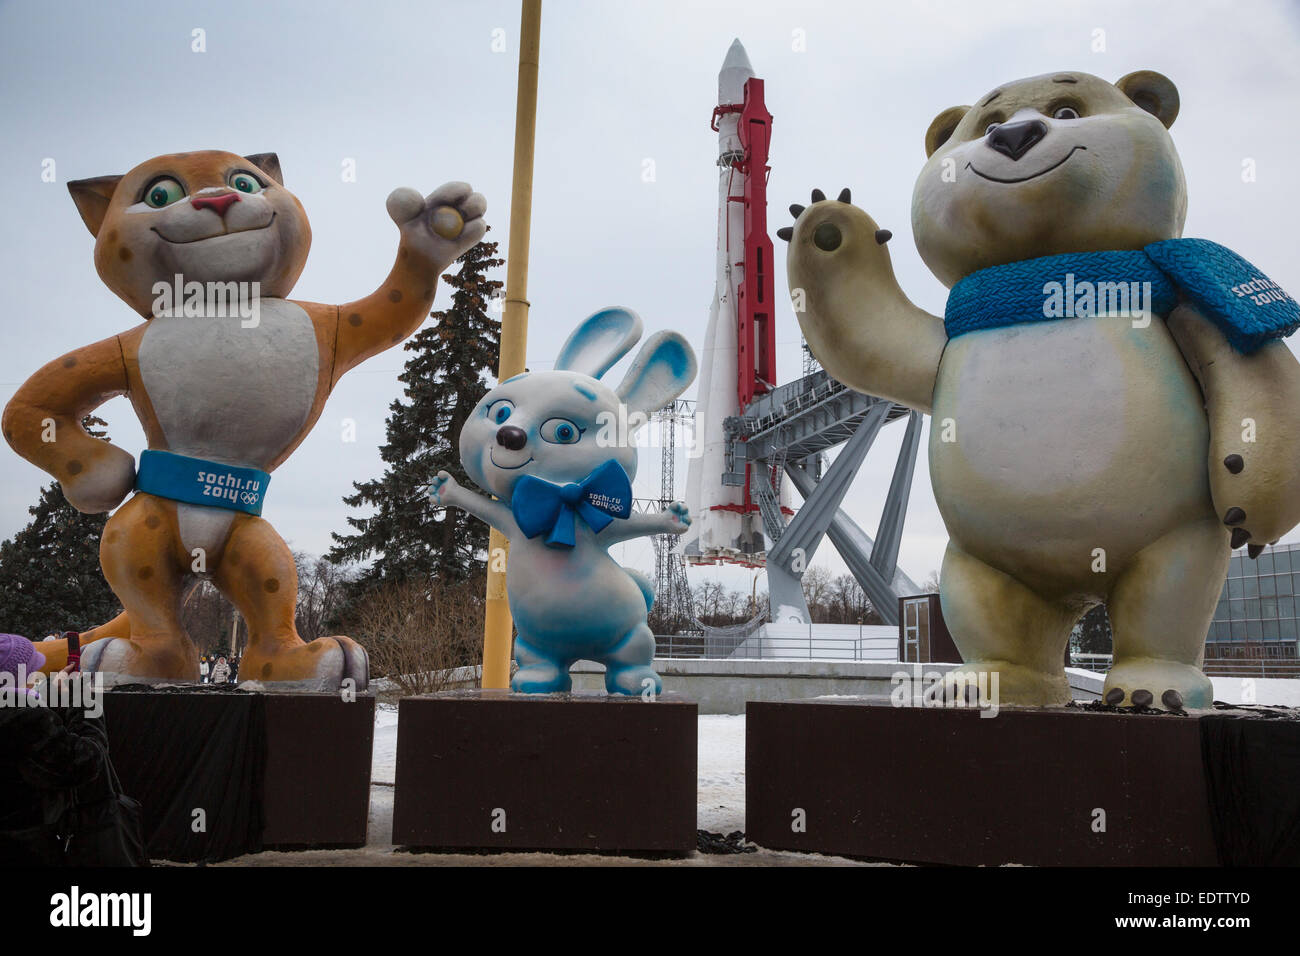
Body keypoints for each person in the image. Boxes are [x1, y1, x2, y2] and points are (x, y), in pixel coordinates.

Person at [0, 633, 108, 865]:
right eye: (30, 671)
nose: (34, 677)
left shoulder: (18, 713)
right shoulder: (23, 721)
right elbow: (87, 760)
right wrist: (84, 702)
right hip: (24, 849)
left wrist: (53, 691)